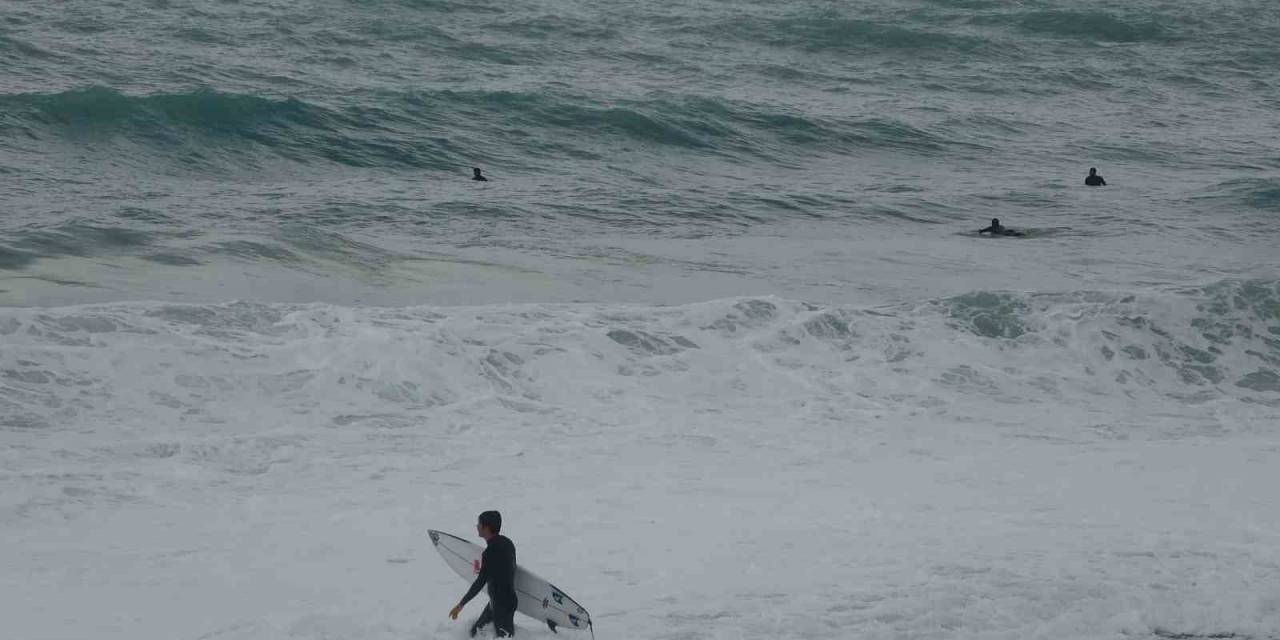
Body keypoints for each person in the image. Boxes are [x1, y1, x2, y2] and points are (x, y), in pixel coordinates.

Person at [449, 511, 518, 637]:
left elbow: (480, 582)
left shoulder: (490, 553)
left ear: (486, 528)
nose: (477, 526)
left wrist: (461, 604)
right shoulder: (508, 543)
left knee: (505, 637)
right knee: (475, 632)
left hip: (502, 605)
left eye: (479, 524)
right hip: (501, 601)